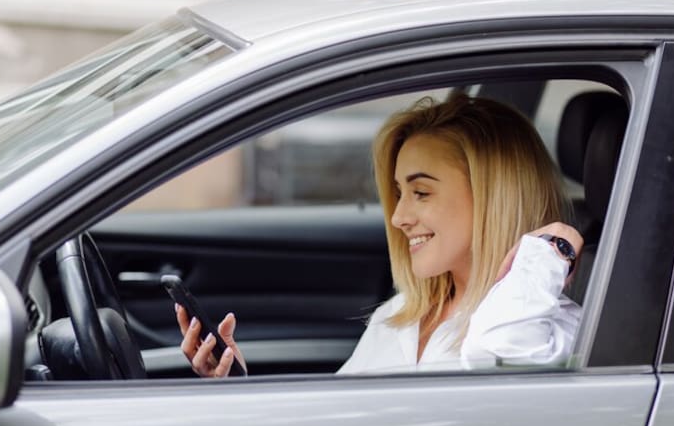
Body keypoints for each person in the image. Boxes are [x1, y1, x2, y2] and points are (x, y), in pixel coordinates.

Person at [175, 92, 583, 376]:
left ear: (494, 197)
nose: (399, 217)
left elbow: (501, 350)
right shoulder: (399, 315)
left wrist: (551, 249)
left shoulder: (547, 326)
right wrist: (235, 383)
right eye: (399, 193)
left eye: (420, 192)